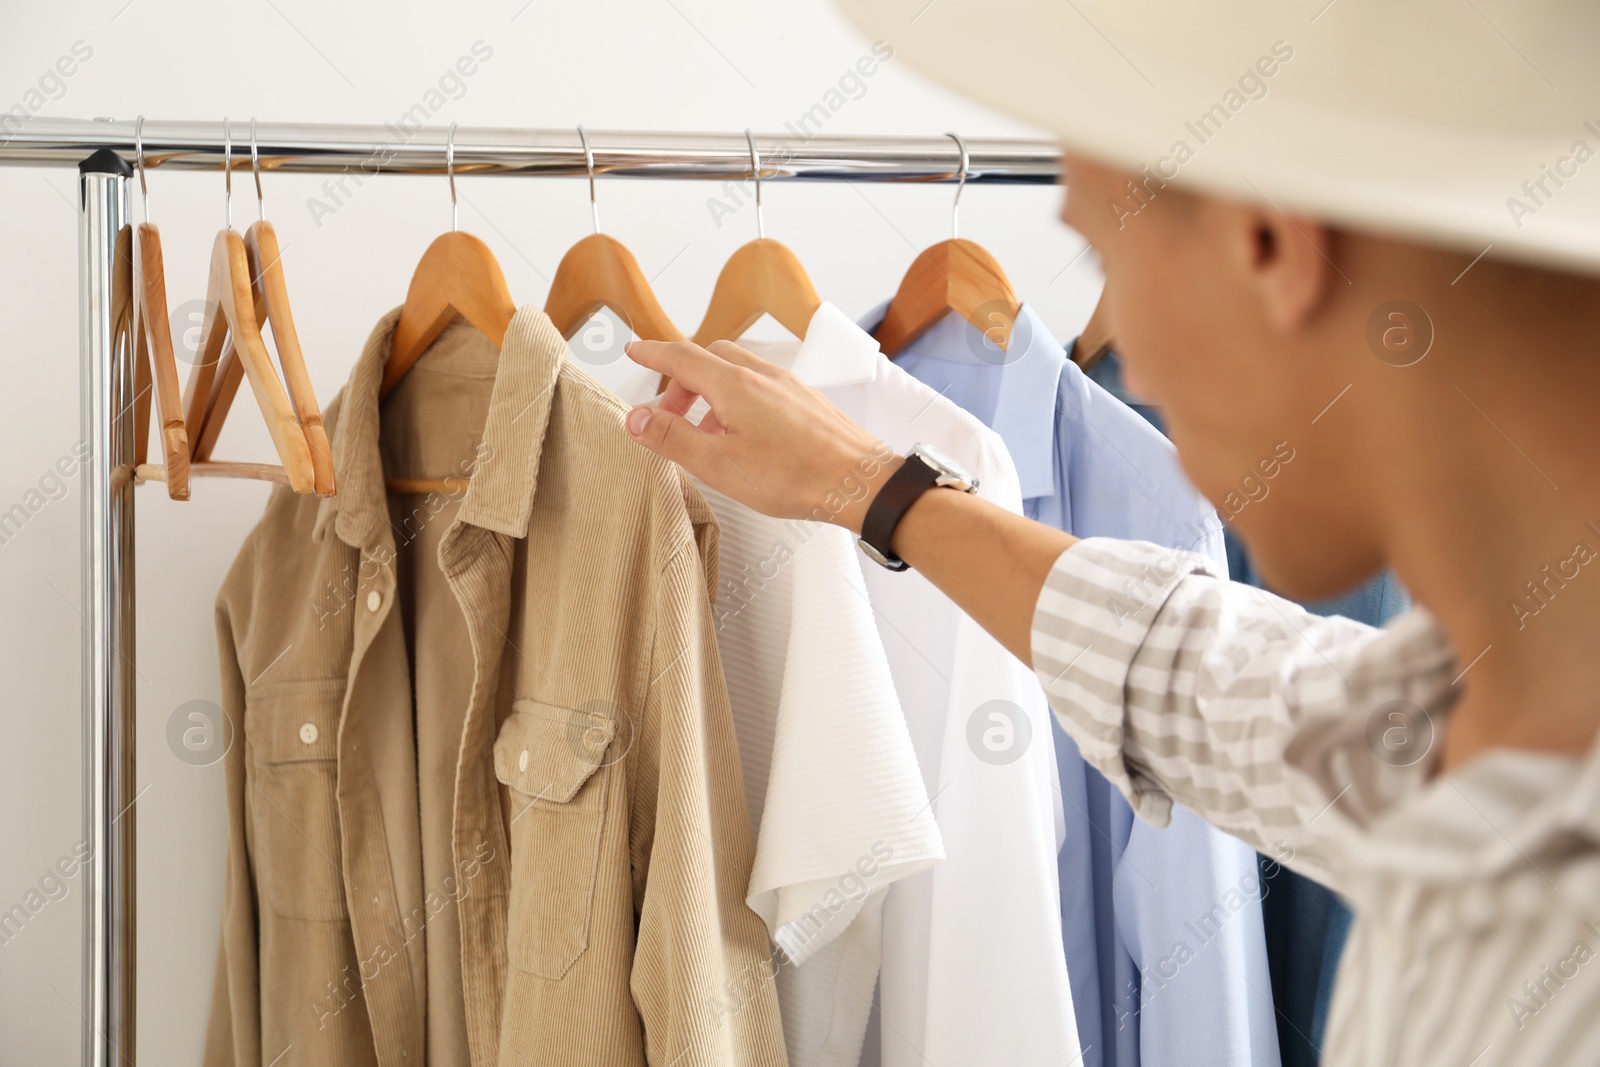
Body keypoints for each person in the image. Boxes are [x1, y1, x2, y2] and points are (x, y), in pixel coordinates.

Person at [621, 3, 1600, 1064]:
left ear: (1268, 242)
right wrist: (871, 487)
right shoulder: (1468, 728)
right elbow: (1210, 682)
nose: (1112, 361)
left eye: (1102, 259)